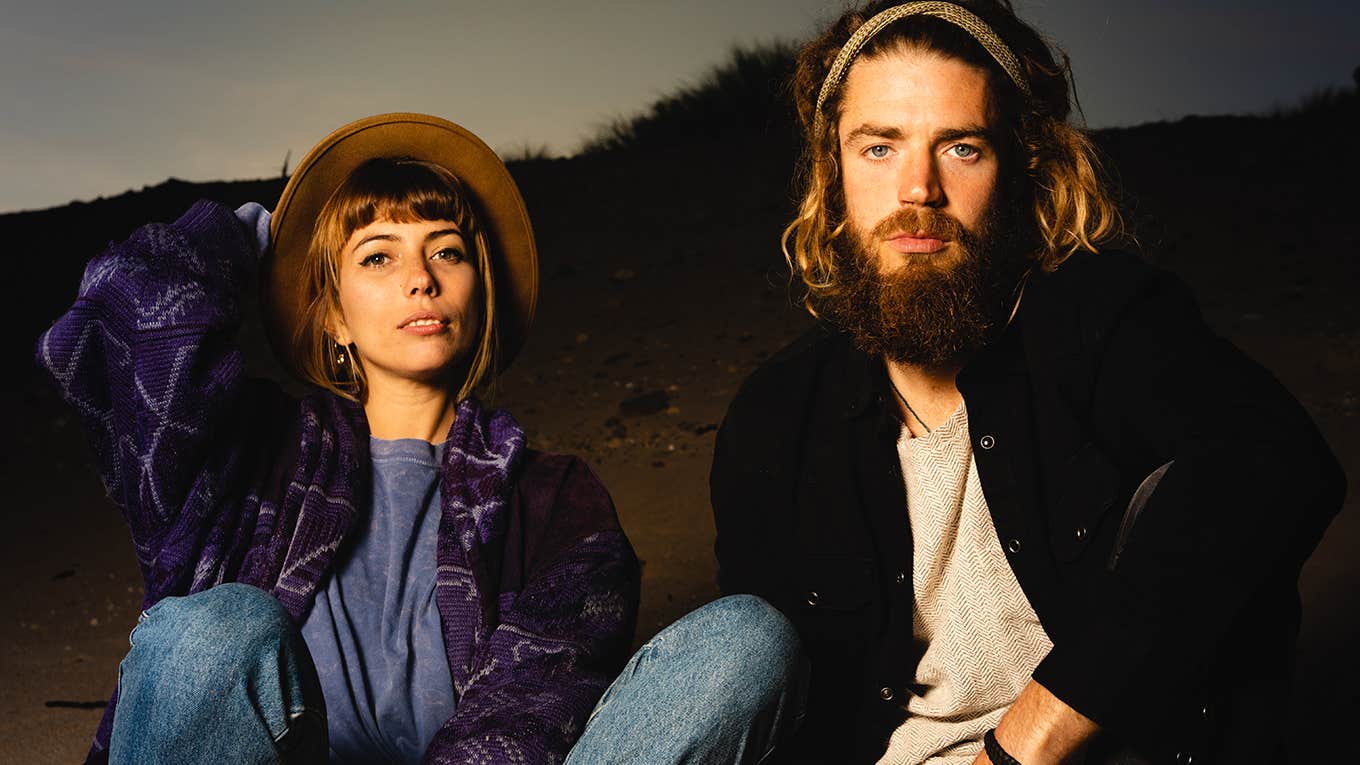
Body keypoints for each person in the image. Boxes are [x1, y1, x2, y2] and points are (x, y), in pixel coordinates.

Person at [710, 2, 1346, 764]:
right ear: (833, 175)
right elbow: (772, 704)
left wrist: (1022, 744)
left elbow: (1276, 462)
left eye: (962, 148)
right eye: (879, 147)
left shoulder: (1103, 321)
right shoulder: (775, 416)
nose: (918, 188)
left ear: (1019, 168)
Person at [38, 113, 645, 764]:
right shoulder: (253, 456)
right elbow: (120, 311)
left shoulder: (555, 499)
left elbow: (536, 702)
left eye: (447, 249)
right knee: (210, 630)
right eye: (379, 255)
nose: (421, 277)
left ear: (479, 292)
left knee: (741, 642)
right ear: (332, 316)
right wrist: (248, 238)